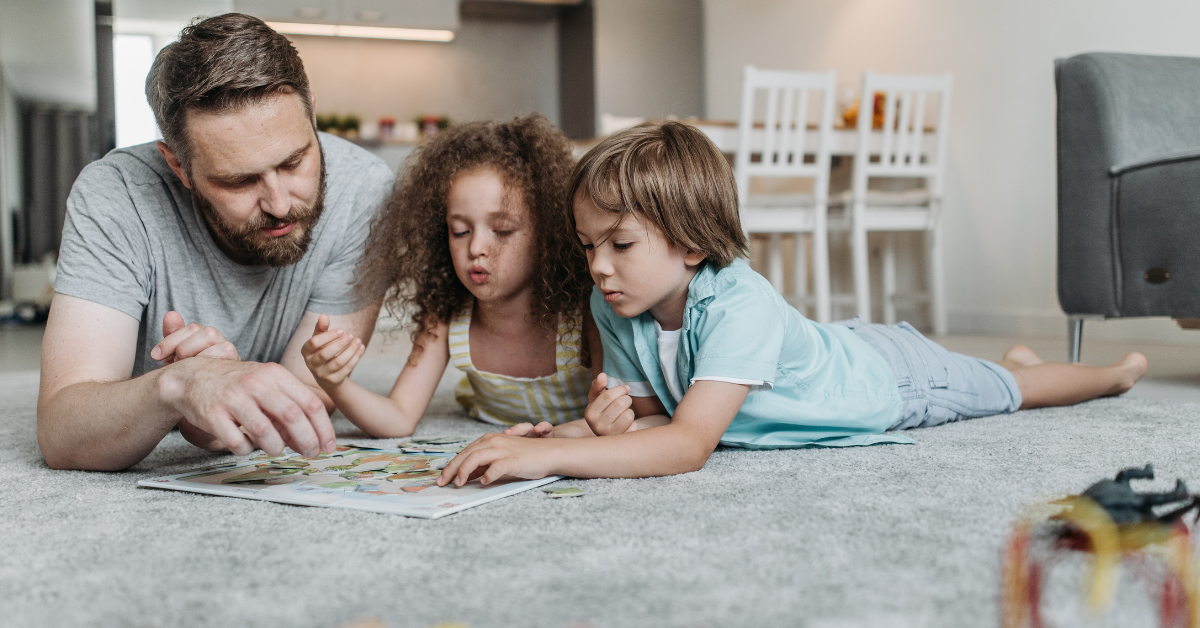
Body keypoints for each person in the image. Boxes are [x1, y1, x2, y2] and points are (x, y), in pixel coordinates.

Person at [436, 121, 1149, 485]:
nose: (596, 266)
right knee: (994, 374)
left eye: (619, 245)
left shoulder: (739, 303)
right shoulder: (613, 302)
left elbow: (687, 445)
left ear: (690, 243)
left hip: (890, 379)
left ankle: (1110, 373)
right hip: (829, 348)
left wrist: (552, 462)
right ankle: (1008, 360)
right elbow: (659, 409)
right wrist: (570, 431)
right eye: (589, 245)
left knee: (1011, 390)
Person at [37, 14, 394, 471]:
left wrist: (208, 423)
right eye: (238, 180)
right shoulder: (115, 194)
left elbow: (308, 397)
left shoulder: (363, 190)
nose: (280, 204)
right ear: (178, 165)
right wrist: (179, 386)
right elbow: (63, 433)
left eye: (294, 161)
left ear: (312, 113)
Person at [302, 115, 600, 437]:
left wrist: (556, 440)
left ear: (548, 234)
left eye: (502, 230)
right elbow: (398, 417)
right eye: (459, 231)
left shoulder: (586, 313)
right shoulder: (447, 316)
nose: (476, 248)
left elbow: (618, 413)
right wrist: (334, 382)